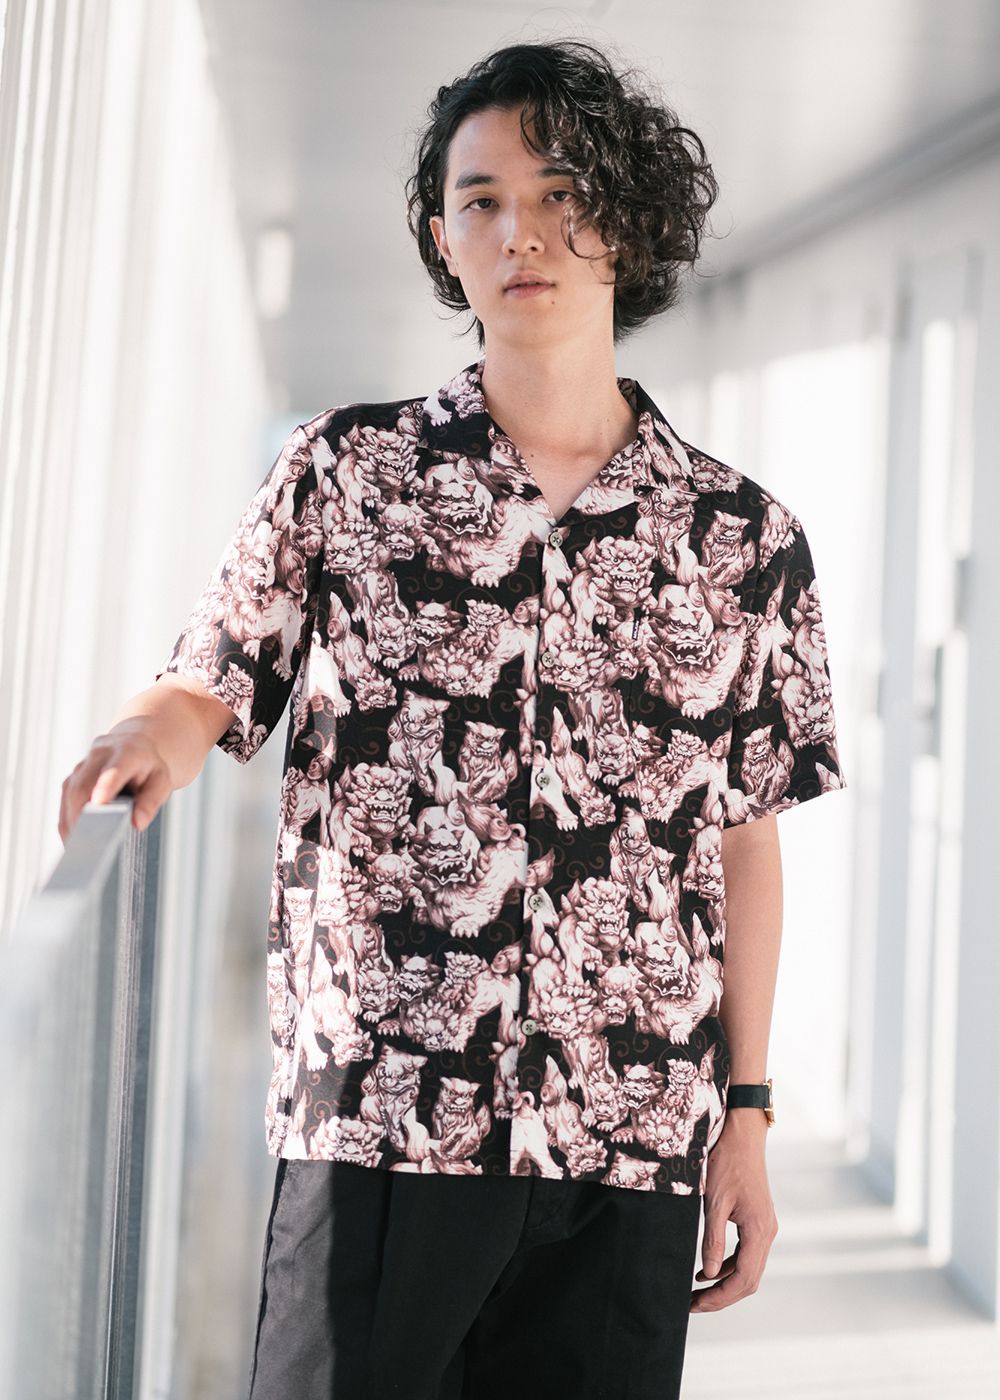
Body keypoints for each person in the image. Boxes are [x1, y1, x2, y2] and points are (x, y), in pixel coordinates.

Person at [59, 37, 847, 1400]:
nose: (519, 231)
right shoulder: (346, 471)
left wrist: (750, 1114)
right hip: (383, 1111)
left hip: (628, 1136)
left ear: (626, 219)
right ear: (443, 238)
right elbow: (211, 675)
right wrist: (145, 732)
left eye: (560, 194)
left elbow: (744, 844)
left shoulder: (744, 538)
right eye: (482, 200)